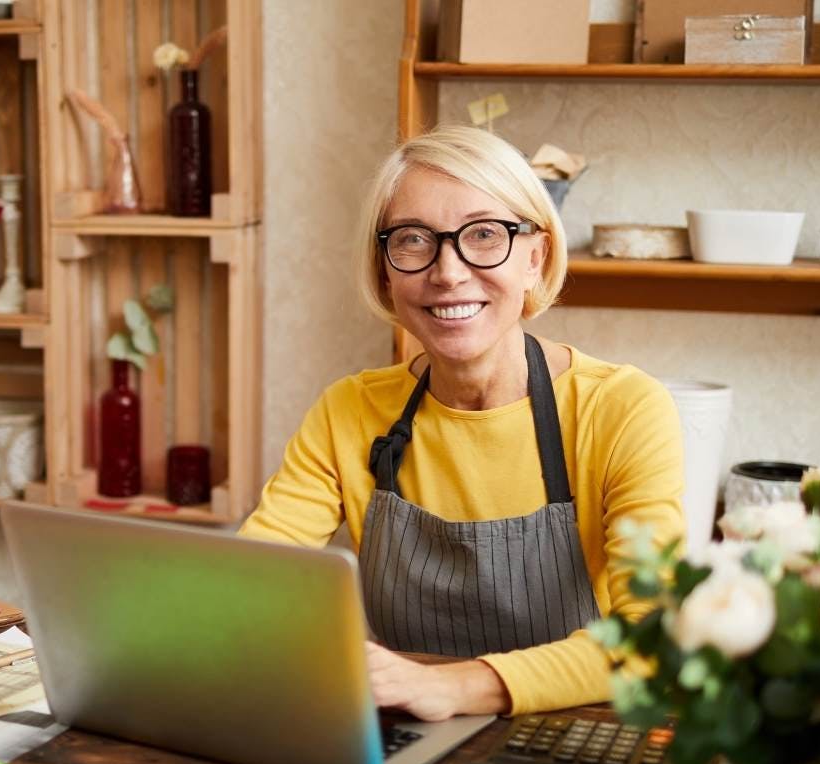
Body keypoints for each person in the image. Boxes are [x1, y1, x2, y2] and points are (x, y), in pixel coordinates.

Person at [239, 124, 684, 722]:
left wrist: (453, 688)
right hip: (404, 736)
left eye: (483, 235)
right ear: (385, 270)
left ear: (536, 256)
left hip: (570, 739)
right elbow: (250, 585)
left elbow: (649, 640)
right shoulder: (348, 412)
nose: (448, 273)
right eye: (414, 240)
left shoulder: (622, 409)